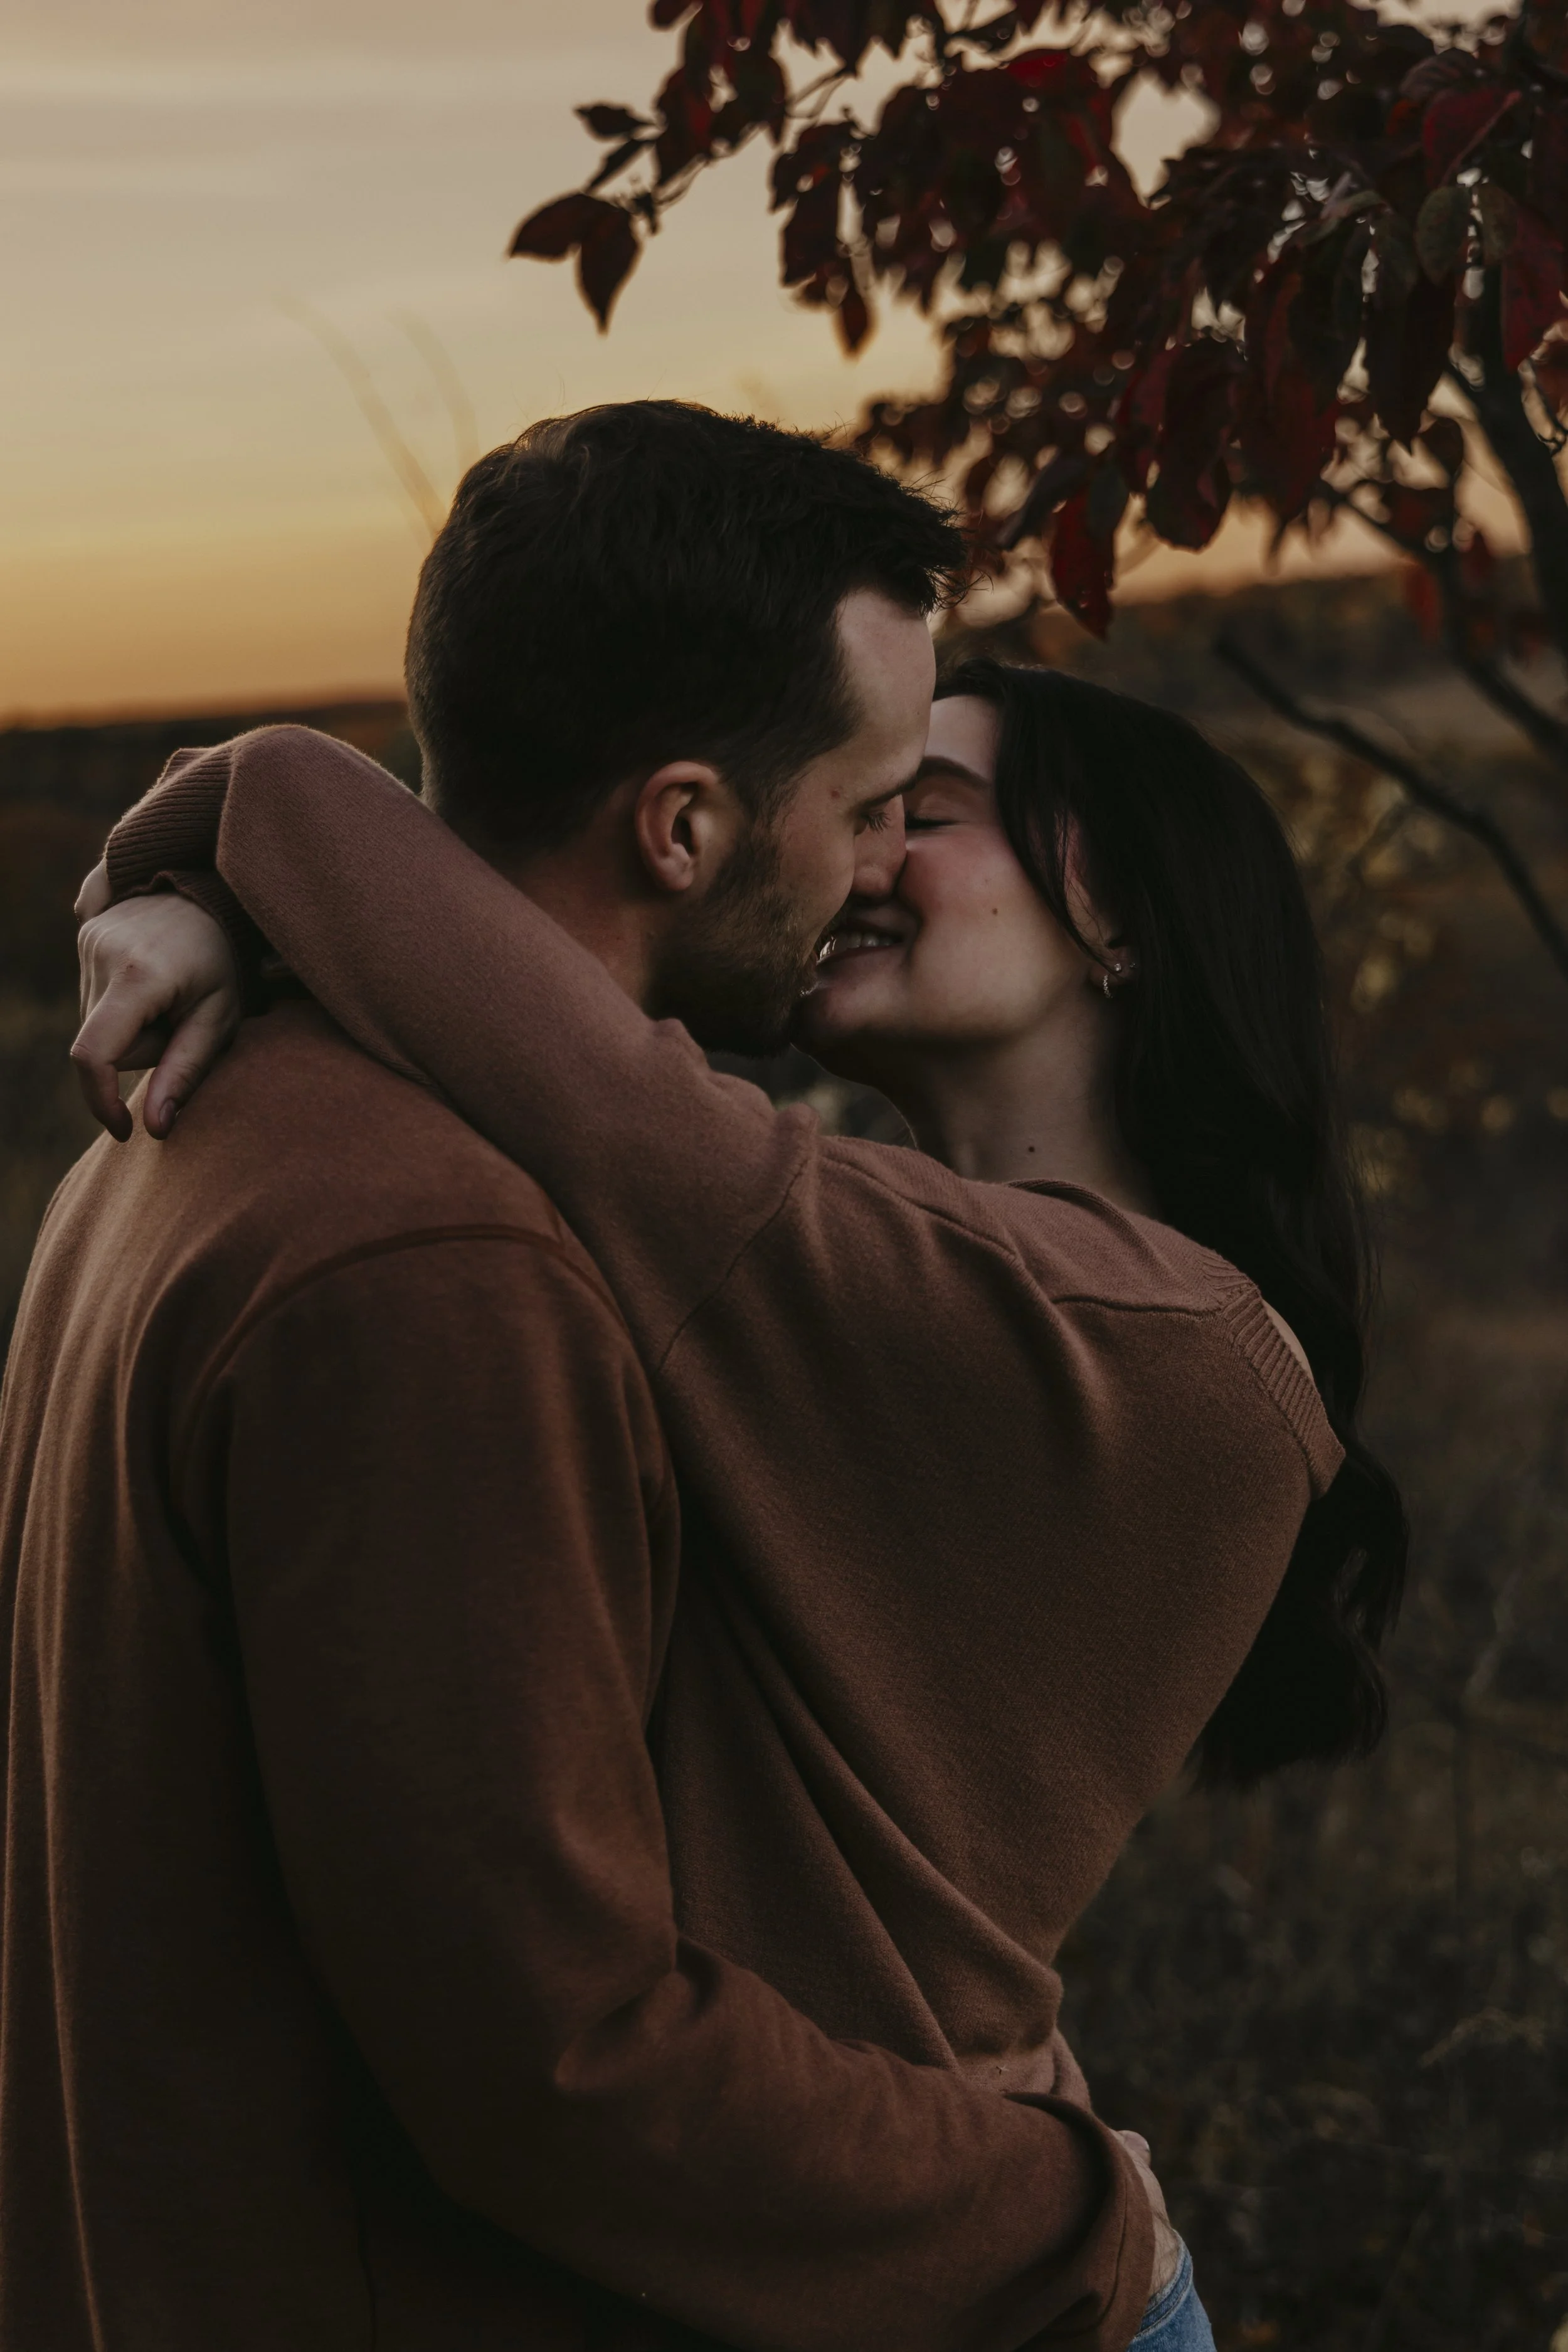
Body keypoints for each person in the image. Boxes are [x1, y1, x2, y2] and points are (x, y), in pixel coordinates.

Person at [68, 406, 1401, 2350]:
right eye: (862, 802)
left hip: (982, 2285)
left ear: (1111, 911)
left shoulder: (1165, 1350)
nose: (857, 852)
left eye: (913, 811)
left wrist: (225, 823)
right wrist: (235, 909)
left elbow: (581, 1073)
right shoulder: (803, 1263)